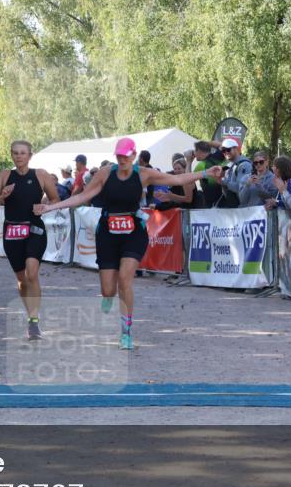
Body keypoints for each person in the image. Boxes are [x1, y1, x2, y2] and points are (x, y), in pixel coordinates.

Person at [35, 137, 213, 350]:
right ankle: (108, 296)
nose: (122, 159)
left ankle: (126, 332)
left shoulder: (144, 174)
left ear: (134, 155)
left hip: (134, 232)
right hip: (108, 233)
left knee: (125, 279)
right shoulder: (105, 174)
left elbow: (176, 179)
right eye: (119, 155)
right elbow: (82, 197)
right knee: (108, 289)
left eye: (126, 156)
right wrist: (50, 208)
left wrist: (205, 173)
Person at [0, 140, 60, 340]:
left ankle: (34, 322)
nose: (19, 156)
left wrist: (44, 207)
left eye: (22, 153)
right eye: (15, 153)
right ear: (11, 155)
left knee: (32, 273)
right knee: (22, 280)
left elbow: (55, 199)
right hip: (12, 231)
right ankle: (31, 317)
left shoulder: (41, 175)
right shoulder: (5, 175)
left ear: (30, 155)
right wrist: (2, 196)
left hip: (34, 229)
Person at [216, 139, 253, 207]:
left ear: (236, 149)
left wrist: (223, 181)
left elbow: (240, 188)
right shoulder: (229, 165)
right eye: (223, 151)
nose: (226, 152)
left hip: (244, 208)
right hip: (234, 206)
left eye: (228, 149)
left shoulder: (244, 165)